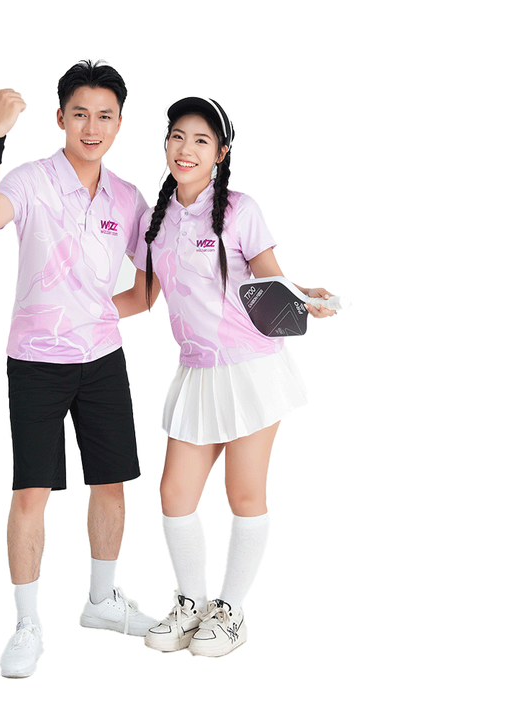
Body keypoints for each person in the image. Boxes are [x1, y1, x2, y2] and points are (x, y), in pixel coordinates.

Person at [113, 96, 335, 657]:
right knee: (174, 495)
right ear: (166, 143)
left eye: (201, 140)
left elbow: (270, 282)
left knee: (244, 492)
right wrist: (78, 309)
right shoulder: (155, 220)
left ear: (221, 152)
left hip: (251, 369)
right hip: (196, 373)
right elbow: (141, 297)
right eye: (177, 136)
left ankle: (230, 611)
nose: (185, 149)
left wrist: (306, 296)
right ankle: (192, 603)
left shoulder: (240, 209)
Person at [0, 60, 156, 679]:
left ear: (119, 123)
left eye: (104, 116)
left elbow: (148, 287)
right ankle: (27, 624)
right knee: (31, 492)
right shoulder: (32, 180)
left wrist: (99, 311)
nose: (92, 127)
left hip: (101, 359)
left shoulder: (127, 198)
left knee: (111, 483)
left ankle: (101, 602)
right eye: (80, 114)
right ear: (60, 118)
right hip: (36, 362)